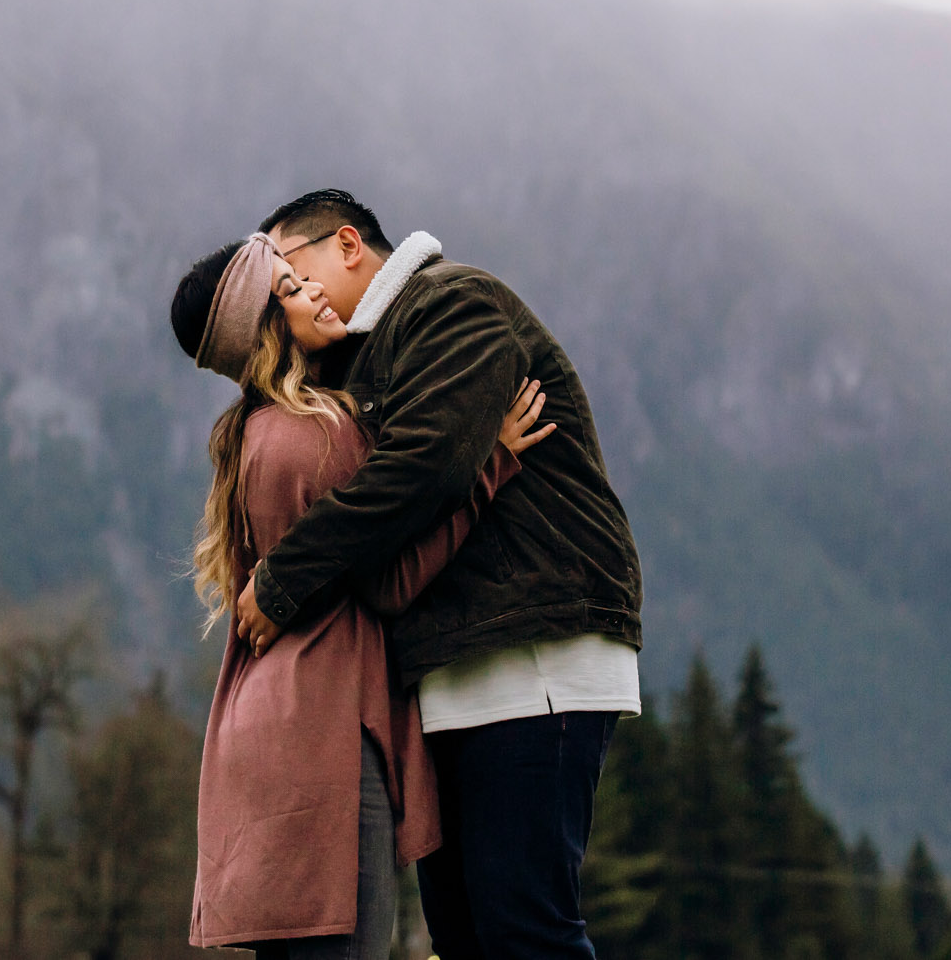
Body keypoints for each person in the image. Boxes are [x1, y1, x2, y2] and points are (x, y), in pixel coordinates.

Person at [213, 190, 644, 959]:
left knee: (526, 929)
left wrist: (284, 579)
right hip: (453, 670)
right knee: (468, 936)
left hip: (531, 647)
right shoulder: (351, 366)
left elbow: (424, 469)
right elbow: (384, 560)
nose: (294, 288)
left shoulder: (451, 305)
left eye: (292, 264)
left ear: (348, 244)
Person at [177, 231, 556, 957]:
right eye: (289, 289)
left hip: (265, 734)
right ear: (263, 331)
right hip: (324, 738)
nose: (314, 289)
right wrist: (491, 462)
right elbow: (392, 580)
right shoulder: (320, 431)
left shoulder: (252, 434)